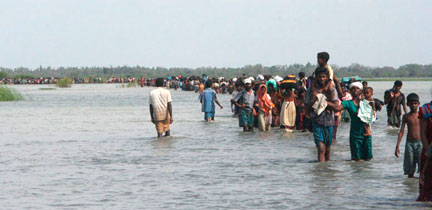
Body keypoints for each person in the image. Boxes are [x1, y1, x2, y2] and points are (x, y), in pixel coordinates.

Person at [328, 82, 372, 161]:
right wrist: (327, 103)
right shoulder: (348, 103)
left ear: (361, 91)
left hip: (366, 133)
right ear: (350, 91)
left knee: (368, 159)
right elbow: (337, 108)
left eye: (357, 88)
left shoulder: (365, 102)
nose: (355, 90)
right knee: (356, 159)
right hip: (355, 134)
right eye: (353, 88)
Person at [305, 67, 338, 162]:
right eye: (320, 77)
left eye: (324, 77)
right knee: (320, 148)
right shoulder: (311, 91)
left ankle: (326, 170)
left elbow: (336, 106)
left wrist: (324, 102)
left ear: (327, 77)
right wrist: (314, 100)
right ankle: (320, 170)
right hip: (317, 122)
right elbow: (307, 108)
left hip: (329, 122)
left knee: (327, 148)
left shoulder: (332, 90)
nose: (322, 79)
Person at [395, 93, 421, 178]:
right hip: (409, 143)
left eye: (415, 103)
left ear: (418, 103)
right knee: (409, 165)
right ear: (407, 104)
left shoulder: (421, 115)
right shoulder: (406, 116)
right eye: (411, 103)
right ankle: (410, 186)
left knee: (422, 165)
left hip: (420, 143)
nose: (413, 105)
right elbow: (401, 131)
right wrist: (397, 146)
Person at [417, 99, 432, 201]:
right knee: (427, 181)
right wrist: (429, 153)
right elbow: (422, 134)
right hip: (428, 149)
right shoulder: (426, 110)